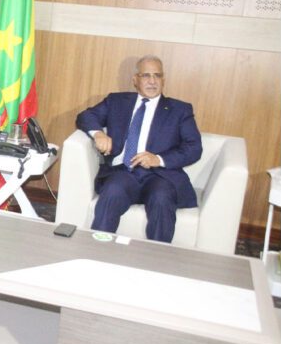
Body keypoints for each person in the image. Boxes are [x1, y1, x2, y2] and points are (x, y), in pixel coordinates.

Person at [75, 55, 202, 242]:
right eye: (146, 75)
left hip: (160, 176)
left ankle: (156, 256)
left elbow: (194, 147)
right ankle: (97, 250)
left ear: (163, 80)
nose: (152, 81)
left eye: (157, 75)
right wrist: (98, 134)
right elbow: (85, 116)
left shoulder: (179, 110)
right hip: (123, 172)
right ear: (135, 80)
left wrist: (158, 159)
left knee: (161, 198)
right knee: (112, 192)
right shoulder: (117, 101)